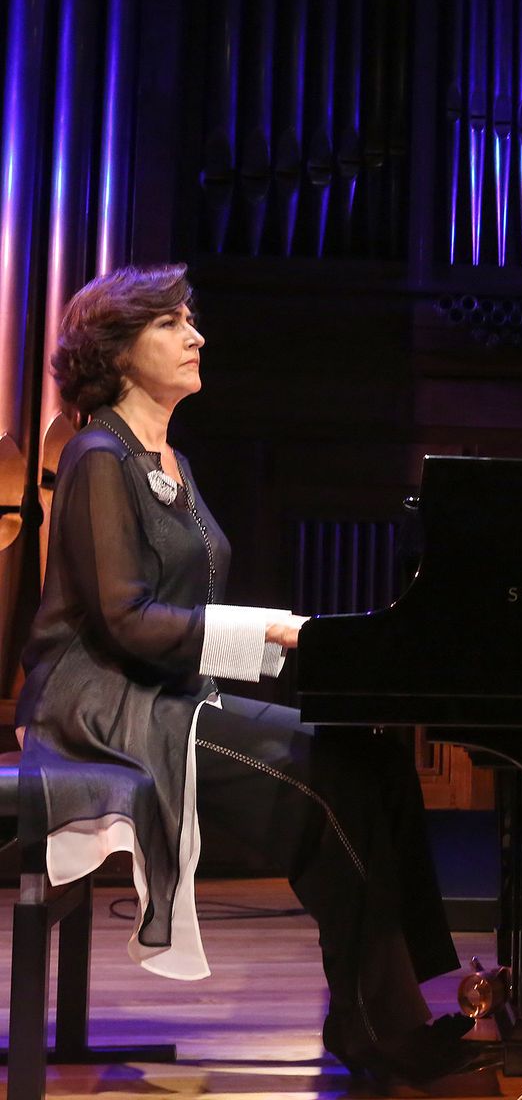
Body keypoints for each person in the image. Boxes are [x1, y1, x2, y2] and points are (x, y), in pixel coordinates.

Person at [13, 264, 477, 1086]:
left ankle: (402, 998)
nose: (195, 335)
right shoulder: (96, 456)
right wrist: (271, 632)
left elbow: (180, 617)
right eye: (170, 324)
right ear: (116, 353)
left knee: (374, 756)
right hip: (104, 710)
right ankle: (377, 1028)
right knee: (330, 784)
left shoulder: (174, 462)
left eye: (190, 319)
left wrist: (279, 639)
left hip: (167, 696)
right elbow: (124, 619)